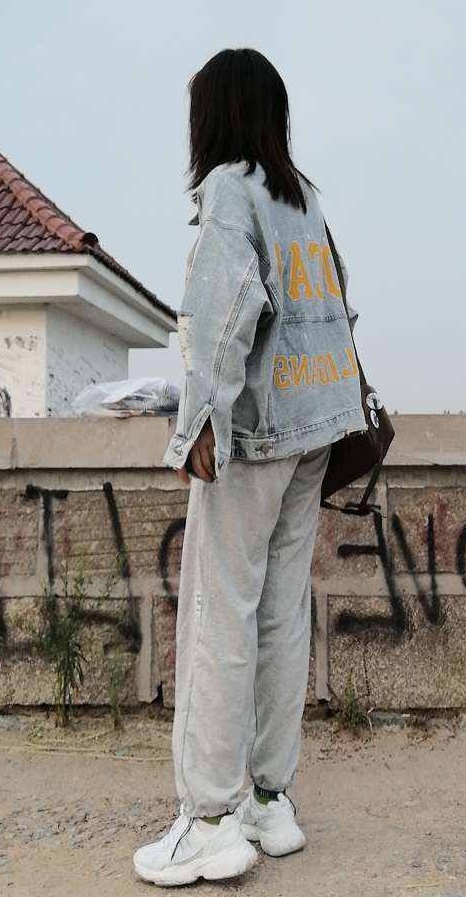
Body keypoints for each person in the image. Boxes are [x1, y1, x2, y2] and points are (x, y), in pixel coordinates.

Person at [132, 48, 366, 887]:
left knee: (217, 615)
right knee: (279, 615)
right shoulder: (303, 199)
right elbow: (337, 308)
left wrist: (200, 420)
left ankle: (207, 820)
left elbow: (225, 311)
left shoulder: (230, 190)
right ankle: (270, 801)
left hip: (258, 432)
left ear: (214, 114)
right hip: (317, 427)